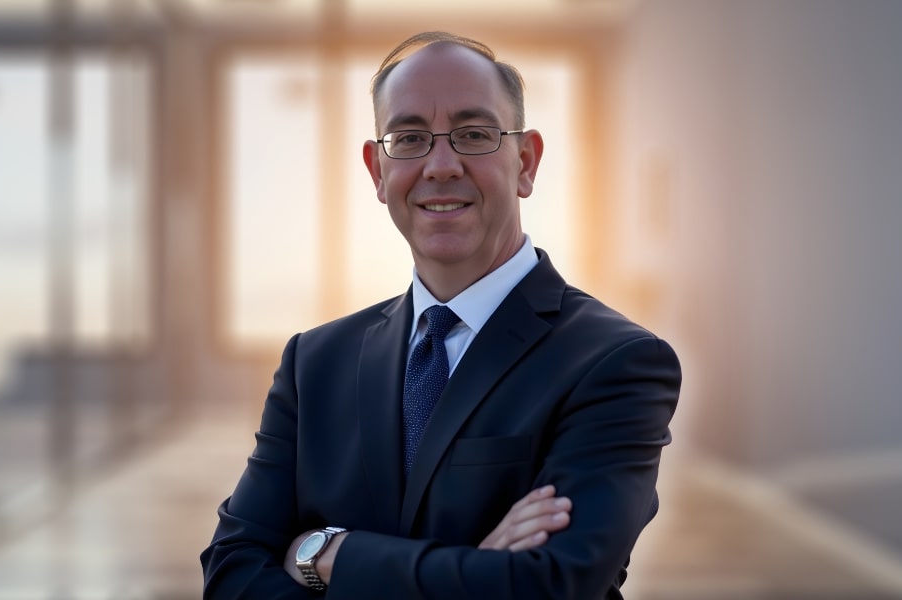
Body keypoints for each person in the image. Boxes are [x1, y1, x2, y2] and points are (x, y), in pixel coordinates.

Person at [200, 31, 681, 599]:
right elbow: (231, 572)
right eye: (409, 139)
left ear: (525, 162)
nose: (441, 165)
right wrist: (472, 570)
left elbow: (550, 585)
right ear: (377, 171)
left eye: (474, 135)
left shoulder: (615, 363)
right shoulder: (314, 363)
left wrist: (330, 553)